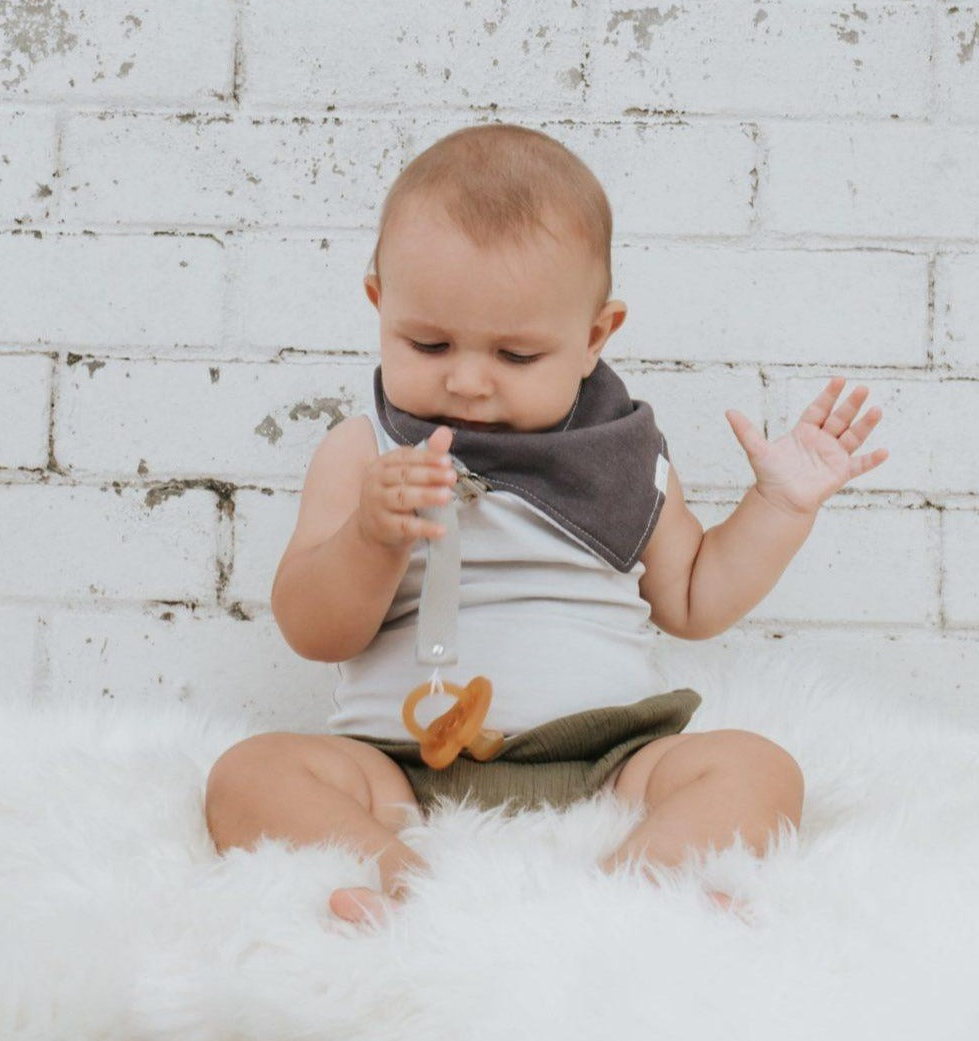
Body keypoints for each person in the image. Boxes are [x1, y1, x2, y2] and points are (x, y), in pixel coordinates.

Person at [204, 123, 889, 927]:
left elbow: (695, 601)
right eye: (427, 342)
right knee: (249, 773)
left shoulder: (624, 459)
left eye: (516, 356)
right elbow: (315, 631)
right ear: (378, 303)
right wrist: (371, 534)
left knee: (756, 765)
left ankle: (630, 895)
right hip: (399, 770)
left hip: (609, 764)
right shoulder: (363, 452)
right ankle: (411, 896)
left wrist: (778, 506)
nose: (465, 380)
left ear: (594, 335)